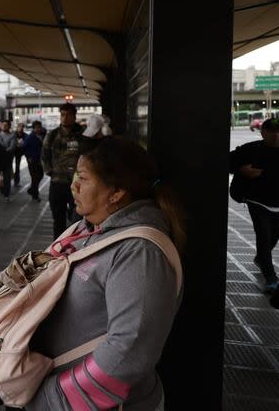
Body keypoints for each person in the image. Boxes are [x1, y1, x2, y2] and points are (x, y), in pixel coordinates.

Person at [26, 137, 185, 411]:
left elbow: (130, 349)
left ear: (116, 192)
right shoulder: (86, 229)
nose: (73, 185)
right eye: (76, 175)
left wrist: (51, 398)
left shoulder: (140, 253)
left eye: (84, 179)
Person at [230, 118, 279, 292]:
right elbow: (229, 160)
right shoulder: (252, 149)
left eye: (278, 131)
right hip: (257, 200)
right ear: (263, 132)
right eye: (270, 131)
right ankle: (270, 277)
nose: (275, 135)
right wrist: (242, 170)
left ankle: (261, 258)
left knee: (275, 235)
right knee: (264, 236)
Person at [42, 103, 84, 238]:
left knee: (77, 219)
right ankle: (58, 246)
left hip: (77, 184)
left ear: (74, 116)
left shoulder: (82, 135)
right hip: (57, 183)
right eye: (62, 115)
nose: (65, 118)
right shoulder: (53, 135)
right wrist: (50, 171)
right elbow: (44, 155)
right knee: (58, 218)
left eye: (68, 115)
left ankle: (73, 246)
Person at [24, 120, 45, 202]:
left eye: (39, 127)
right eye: (36, 128)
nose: (38, 129)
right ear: (33, 129)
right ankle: (35, 195)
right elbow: (24, 148)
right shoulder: (30, 137)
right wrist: (28, 157)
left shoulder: (43, 135)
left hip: (40, 160)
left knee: (40, 176)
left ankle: (32, 190)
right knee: (35, 178)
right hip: (32, 161)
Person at [0, 119, 16, 202]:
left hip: (7, 160)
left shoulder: (12, 135)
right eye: (3, 125)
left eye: (6, 125)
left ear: (9, 126)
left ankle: (6, 194)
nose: (4, 126)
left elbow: (12, 147)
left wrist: (2, 150)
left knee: (7, 178)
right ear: (0, 126)